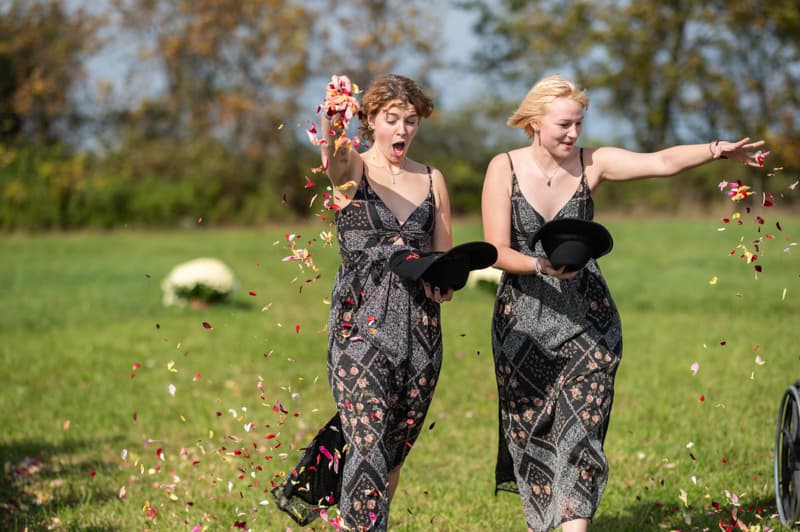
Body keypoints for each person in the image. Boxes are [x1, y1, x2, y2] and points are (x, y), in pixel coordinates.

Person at [481, 73, 767, 532]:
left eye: (579, 124)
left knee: (581, 437)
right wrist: (539, 266)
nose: (574, 134)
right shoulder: (504, 167)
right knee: (531, 435)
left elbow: (662, 162)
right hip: (523, 319)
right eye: (563, 125)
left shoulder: (593, 164)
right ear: (534, 122)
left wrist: (717, 150)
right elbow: (495, 249)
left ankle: (575, 524)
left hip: (589, 319)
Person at [273, 73, 453, 531]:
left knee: (391, 454)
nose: (403, 130)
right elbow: (332, 159)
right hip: (360, 326)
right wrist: (334, 119)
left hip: (420, 331)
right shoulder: (354, 167)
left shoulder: (433, 180)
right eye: (392, 119)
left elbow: (443, 257)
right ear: (370, 120)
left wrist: (446, 280)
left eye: (411, 121)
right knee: (367, 441)